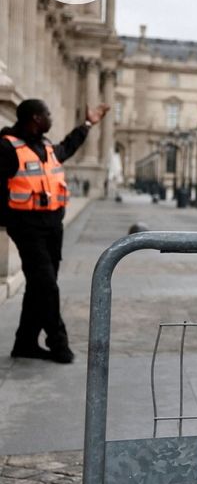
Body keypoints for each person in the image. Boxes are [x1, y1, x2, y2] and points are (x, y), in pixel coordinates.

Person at [3, 99, 108, 364]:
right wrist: (8, 219)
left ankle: (25, 343)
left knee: (39, 287)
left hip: (52, 228)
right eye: (48, 113)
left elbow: (68, 147)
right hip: (27, 228)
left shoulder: (46, 146)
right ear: (36, 118)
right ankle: (58, 343)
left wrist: (87, 124)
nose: (51, 117)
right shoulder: (6, 146)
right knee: (47, 286)